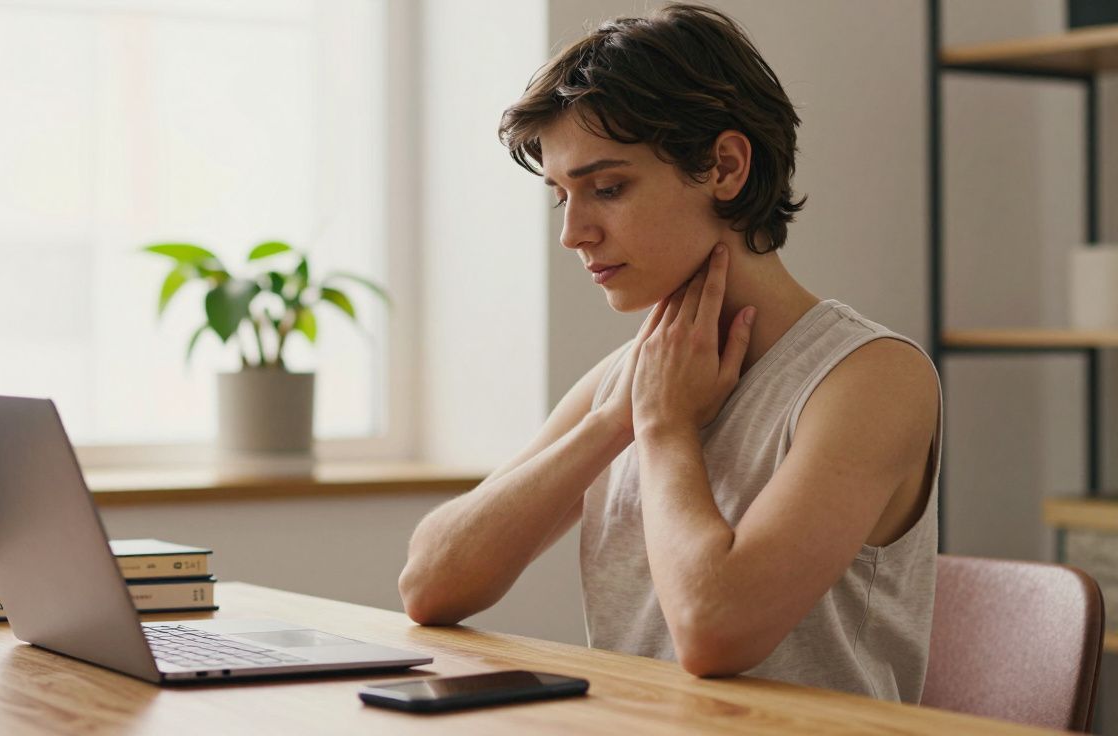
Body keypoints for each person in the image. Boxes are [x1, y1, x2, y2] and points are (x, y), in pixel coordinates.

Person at [397, 2, 941, 704]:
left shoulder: (873, 379)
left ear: (724, 166)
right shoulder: (634, 382)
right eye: (561, 196)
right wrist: (610, 424)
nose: (574, 234)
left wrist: (662, 429)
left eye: (608, 188)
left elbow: (716, 632)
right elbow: (429, 584)